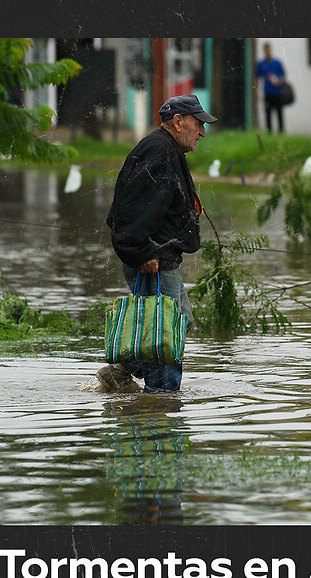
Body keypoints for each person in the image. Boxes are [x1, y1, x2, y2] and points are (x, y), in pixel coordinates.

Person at [100, 94, 215, 393]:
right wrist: (142, 253)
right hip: (152, 261)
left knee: (179, 324)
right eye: (198, 123)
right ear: (178, 122)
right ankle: (161, 408)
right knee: (164, 335)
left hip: (161, 258)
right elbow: (133, 208)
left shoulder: (165, 148)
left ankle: (122, 371)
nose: (202, 132)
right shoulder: (158, 150)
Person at [255, 43, 287, 133]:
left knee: (279, 113)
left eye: (269, 49)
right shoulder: (261, 64)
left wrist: (279, 82)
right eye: (266, 49)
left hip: (278, 92)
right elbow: (257, 78)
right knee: (268, 114)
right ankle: (269, 133)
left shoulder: (278, 63)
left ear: (271, 49)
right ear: (264, 51)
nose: (267, 51)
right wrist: (256, 92)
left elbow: (283, 76)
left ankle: (281, 133)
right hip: (268, 93)